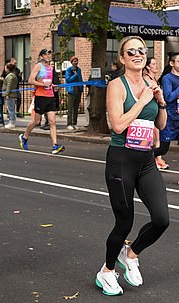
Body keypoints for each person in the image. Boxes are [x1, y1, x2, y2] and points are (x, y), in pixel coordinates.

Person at [96, 36, 169, 296]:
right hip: (121, 160)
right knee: (124, 222)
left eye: (141, 50)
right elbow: (117, 125)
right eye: (131, 51)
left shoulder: (151, 82)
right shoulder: (117, 85)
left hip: (146, 160)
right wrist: (141, 100)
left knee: (162, 219)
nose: (138, 54)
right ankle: (106, 271)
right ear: (122, 58)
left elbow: (160, 124)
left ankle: (132, 253)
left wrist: (159, 101)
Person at [19, 49, 65, 154]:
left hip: (51, 97)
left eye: (49, 54)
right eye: (46, 54)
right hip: (40, 97)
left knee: (52, 122)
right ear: (41, 56)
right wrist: (42, 85)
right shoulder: (38, 66)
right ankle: (24, 137)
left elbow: (50, 82)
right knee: (36, 121)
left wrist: (54, 86)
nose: (48, 56)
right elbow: (31, 80)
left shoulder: (51, 68)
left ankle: (55, 145)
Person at [143, 57, 169, 170]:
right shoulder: (146, 79)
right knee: (155, 138)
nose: (156, 65)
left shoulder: (155, 79)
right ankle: (152, 159)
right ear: (148, 66)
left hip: (159, 111)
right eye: (153, 64)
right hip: (151, 113)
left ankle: (158, 159)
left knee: (158, 137)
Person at [154, 52, 179, 166]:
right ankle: (143, 159)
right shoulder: (167, 78)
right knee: (163, 149)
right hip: (170, 118)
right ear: (172, 63)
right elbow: (169, 97)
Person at [65, 56, 83, 130]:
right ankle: (69, 123)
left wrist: (81, 88)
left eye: (76, 61)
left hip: (78, 90)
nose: (76, 62)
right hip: (71, 91)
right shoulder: (68, 70)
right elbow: (68, 79)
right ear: (71, 62)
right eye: (74, 61)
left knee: (76, 108)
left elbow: (80, 79)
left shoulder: (79, 70)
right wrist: (75, 75)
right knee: (70, 108)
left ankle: (74, 123)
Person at [40, 60, 60, 130]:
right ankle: (46, 122)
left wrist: (56, 87)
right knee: (45, 109)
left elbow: (57, 83)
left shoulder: (55, 74)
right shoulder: (46, 73)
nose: (52, 66)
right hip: (46, 93)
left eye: (53, 65)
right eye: (51, 65)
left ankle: (49, 123)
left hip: (53, 95)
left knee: (50, 109)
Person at [2, 63, 18, 128]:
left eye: (5, 67)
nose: (5, 69)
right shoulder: (12, 75)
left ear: (8, 68)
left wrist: (6, 94)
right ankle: (11, 121)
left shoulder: (10, 76)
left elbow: (9, 86)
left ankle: (12, 122)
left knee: (10, 108)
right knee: (11, 108)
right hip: (11, 94)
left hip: (10, 95)